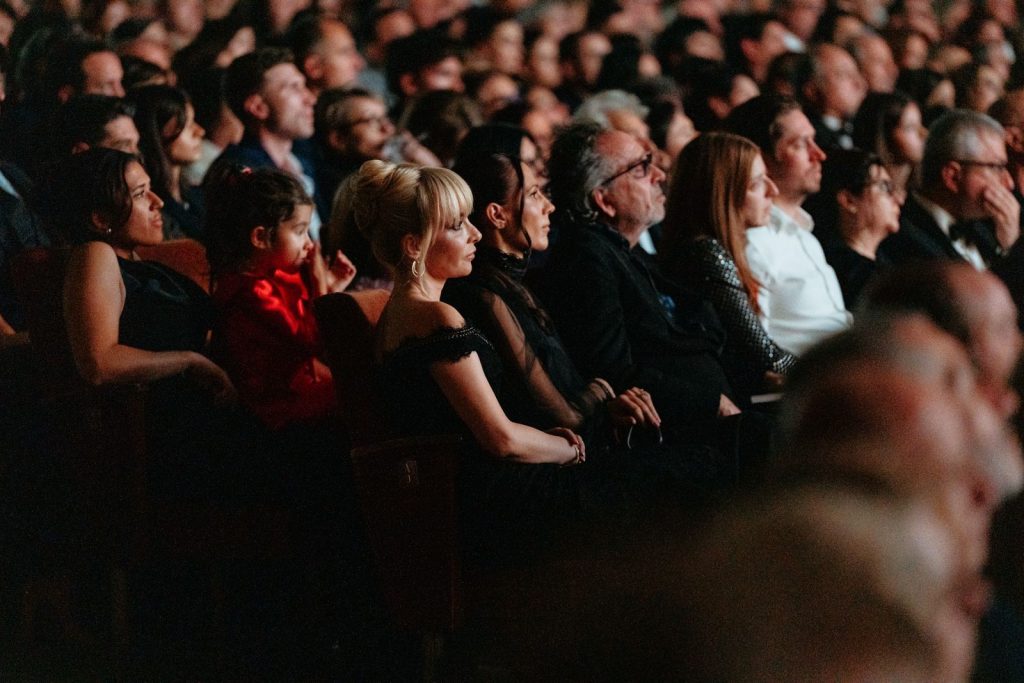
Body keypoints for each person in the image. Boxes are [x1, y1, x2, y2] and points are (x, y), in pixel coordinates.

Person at [349, 160, 587, 564]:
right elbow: (502, 440)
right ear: (413, 244)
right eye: (458, 224)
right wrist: (569, 448)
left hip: (471, 491)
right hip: (489, 500)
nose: (476, 233)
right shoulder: (435, 317)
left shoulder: (399, 313)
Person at [48, 148, 274, 500]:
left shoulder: (141, 261)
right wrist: (189, 360)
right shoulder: (95, 255)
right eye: (140, 195)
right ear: (98, 217)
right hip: (168, 433)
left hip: (207, 416)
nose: (158, 202)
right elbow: (98, 363)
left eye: (151, 189)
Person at [536, 121, 742, 444]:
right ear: (604, 199)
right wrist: (708, 402)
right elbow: (611, 370)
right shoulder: (586, 259)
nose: (659, 175)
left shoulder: (623, 249)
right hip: (675, 436)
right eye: (641, 168)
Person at [445, 151, 662, 455]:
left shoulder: (519, 285)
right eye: (534, 194)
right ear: (497, 215)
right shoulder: (484, 295)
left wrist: (606, 402)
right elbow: (559, 415)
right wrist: (600, 391)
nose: (550, 206)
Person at [205, 165, 356, 431]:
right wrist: (322, 285)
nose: (309, 243)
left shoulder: (281, 275)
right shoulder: (249, 293)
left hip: (300, 389)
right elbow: (313, 340)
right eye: (299, 232)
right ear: (261, 237)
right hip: (275, 410)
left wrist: (333, 285)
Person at [659, 132, 796, 401]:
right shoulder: (705, 253)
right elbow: (765, 354)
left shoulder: (708, 248)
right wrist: (827, 367)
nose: (773, 190)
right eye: (757, 184)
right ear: (722, 193)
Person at [722, 94, 852, 355]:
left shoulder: (805, 235)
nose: (819, 154)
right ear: (761, 158)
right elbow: (759, 353)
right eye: (801, 145)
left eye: (813, 141)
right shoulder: (754, 243)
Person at [878, 109, 1020, 269]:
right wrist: (1009, 251)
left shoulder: (987, 228)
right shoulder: (903, 236)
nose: (1009, 183)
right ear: (952, 176)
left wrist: (1009, 246)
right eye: (996, 168)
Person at [212, 47, 323, 240]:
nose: (311, 99)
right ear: (258, 107)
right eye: (294, 88)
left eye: (304, 86)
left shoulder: (302, 163)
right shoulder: (242, 174)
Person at [815, 148, 902, 307]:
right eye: (885, 187)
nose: (898, 200)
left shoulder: (888, 265)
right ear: (849, 201)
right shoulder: (842, 273)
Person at [129, 85, 206, 239]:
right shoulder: (154, 206)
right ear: (157, 132)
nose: (200, 131)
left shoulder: (196, 195)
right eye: (186, 125)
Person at [851, 91, 926, 201]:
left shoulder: (923, 192)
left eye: (921, 125)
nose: (924, 134)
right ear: (885, 136)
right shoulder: (866, 192)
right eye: (910, 127)